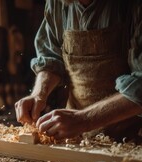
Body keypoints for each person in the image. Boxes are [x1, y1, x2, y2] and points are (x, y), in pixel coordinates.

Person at [14, 0, 142, 142]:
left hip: (133, 139)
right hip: (76, 138)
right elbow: (51, 56)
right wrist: (39, 94)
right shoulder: (57, 3)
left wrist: (84, 119)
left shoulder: (133, 6)